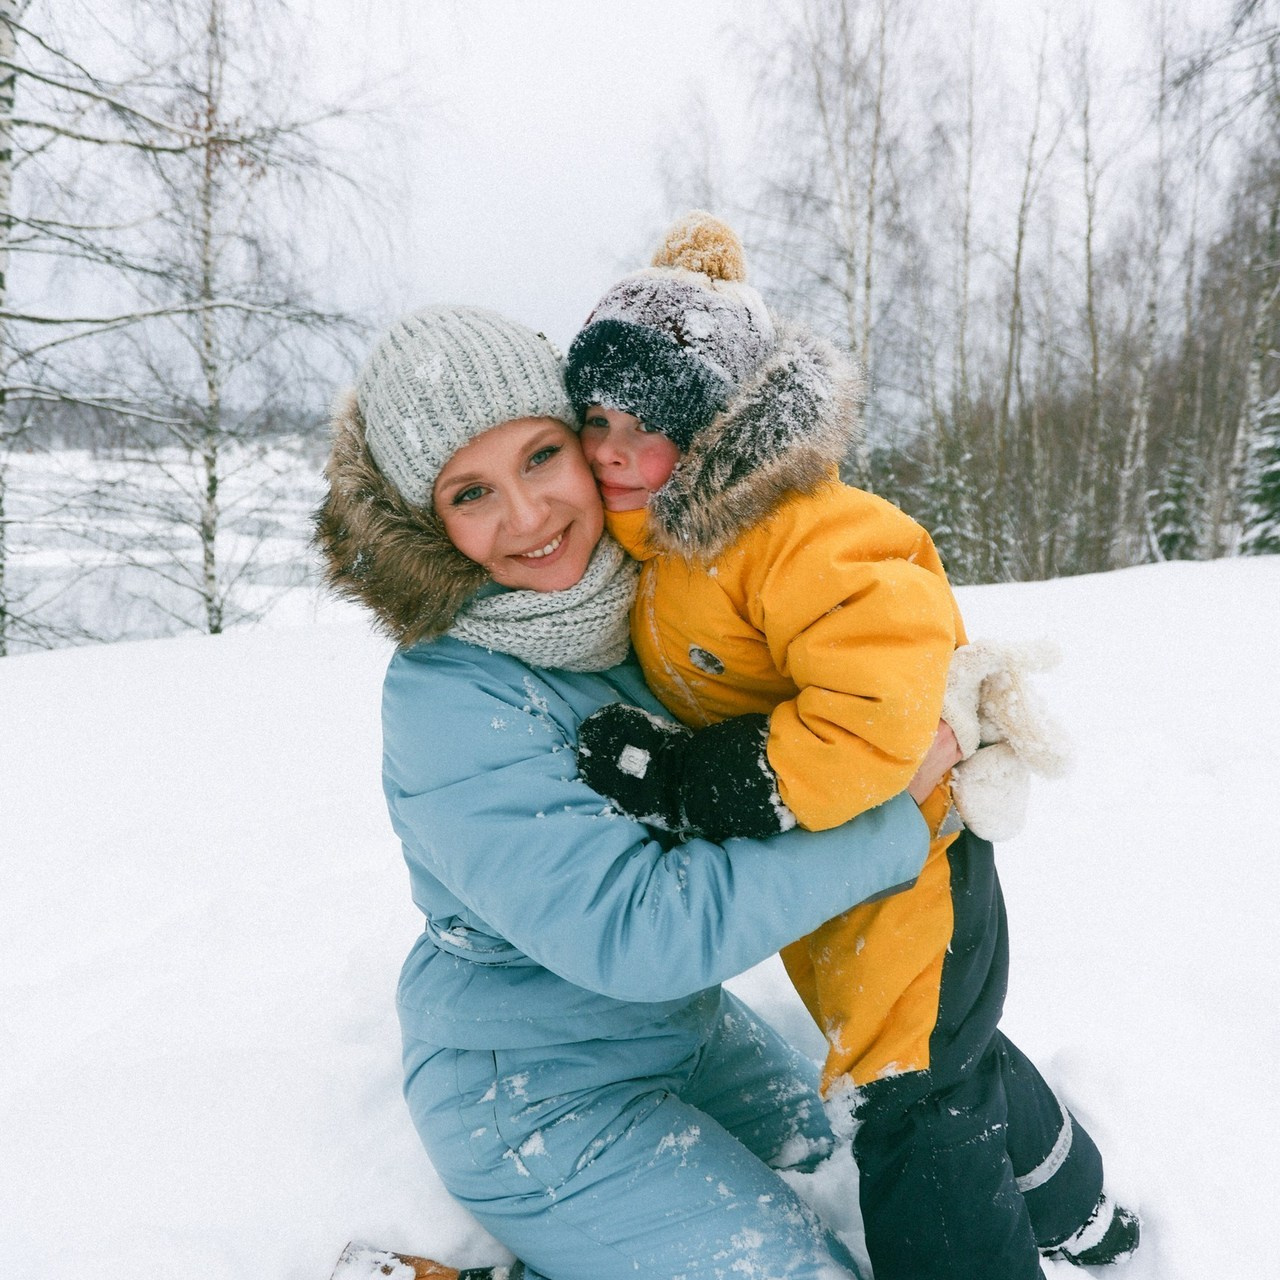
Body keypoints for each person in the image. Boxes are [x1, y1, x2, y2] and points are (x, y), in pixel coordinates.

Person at [313, 303, 955, 1280]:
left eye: (539, 457)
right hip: (529, 1090)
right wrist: (886, 819)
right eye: (471, 491)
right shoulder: (447, 697)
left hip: (681, 1035)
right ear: (425, 524)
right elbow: (636, 930)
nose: (525, 515)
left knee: (858, 1167)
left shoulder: (650, 598)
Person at [564, 212, 1140, 1280]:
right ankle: (1083, 1206)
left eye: (639, 421)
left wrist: (695, 780)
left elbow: (874, 710)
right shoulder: (656, 543)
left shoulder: (800, 528)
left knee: (916, 1115)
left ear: (707, 428)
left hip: (917, 869)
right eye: (591, 417)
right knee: (942, 1060)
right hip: (841, 879)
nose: (607, 446)